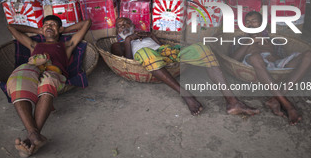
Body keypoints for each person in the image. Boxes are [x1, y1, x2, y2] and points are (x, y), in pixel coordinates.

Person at [111, 17, 259, 116]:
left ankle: (232, 101)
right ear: (117, 31)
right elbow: (127, 62)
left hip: (164, 54)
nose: (123, 27)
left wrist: (151, 36)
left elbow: (163, 48)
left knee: (202, 48)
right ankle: (187, 94)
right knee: (145, 53)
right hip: (146, 57)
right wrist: (129, 40)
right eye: (120, 26)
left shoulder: (144, 35)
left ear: (132, 25)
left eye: (126, 24)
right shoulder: (118, 44)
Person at [6, 15, 92, 157]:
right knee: (17, 80)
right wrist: (39, 30)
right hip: (31, 70)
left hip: (52, 72)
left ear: (59, 29)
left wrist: (64, 29)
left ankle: (31, 136)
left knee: (48, 82)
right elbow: (11, 27)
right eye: (46, 25)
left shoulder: (66, 45)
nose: (49, 27)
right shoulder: (34, 45)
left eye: (53, 25)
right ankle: (34, 137)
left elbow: (87, 22)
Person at [230, 11, 311, 125]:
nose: (250, 24)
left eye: (254, 21)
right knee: (256, 57)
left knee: (309, 55)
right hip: (252, 64)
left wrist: (272, 56)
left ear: (262, 24)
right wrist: (250, 42)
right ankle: (288, 105)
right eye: (248, 22)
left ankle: (275, 99)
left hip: (275, 66)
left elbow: (281, 58)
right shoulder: (240, 39)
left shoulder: (274, 41)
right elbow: (232, 59)